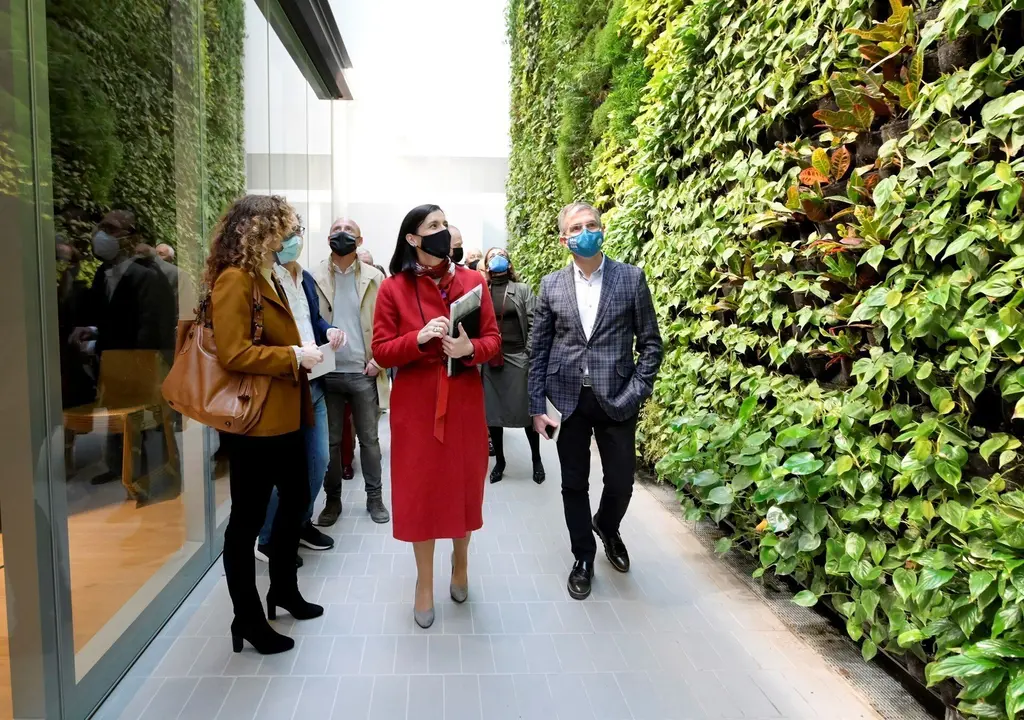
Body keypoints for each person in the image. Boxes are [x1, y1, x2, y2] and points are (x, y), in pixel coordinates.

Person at [372, 204, 500, 628]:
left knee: (464, 488)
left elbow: (494, 342)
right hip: (415, 409)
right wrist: (418, 338)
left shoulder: (473, 281)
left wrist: (470, 351)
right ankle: (423, 582)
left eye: (444, 225)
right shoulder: (393, 288)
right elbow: (381, 350)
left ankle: (460, 561)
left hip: (463, 402)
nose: (442, 232)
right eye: (433, 226)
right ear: (413, 238)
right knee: (420, 494)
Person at [206, 194, 324, 655]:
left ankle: (284, 591)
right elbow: (233, 353)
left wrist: (305, 349)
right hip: (254, 424)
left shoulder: (267, 276)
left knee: (295, 502)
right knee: (246, 522)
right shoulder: (235, 280)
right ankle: (248, 619)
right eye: (282, 228)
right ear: (257, 229)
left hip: (286, 415)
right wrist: (293, 356)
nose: (289, 237)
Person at [529, 201, 663, 601]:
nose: (586, 231)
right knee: (573, 484)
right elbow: (539, 350)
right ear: (564, 239)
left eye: (592, 225)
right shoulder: (551, 285)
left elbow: (651, 345)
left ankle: (606, 524)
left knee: (621, 481)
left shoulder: (630, 278)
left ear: (602, 230)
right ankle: (583, 558)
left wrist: (636, 392)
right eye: (577, 227)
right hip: (566, 400)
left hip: (617, 398)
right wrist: (537, 405)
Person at [254, 233, 347, 564]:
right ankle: (268, 537)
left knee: (318, 460)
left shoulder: (303, 276)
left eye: (297, 234)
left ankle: (298, 523)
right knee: (284, 470)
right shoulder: (262, 280)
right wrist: (295, 354)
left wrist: (329, 331)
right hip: (284, 383)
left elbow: (313, 320)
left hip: (315, 382)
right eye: (286, 235)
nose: (294, 241)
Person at [312, 218, 391, 526]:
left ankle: (375, 498)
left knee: (369, 441)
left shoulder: (375, 277)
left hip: (363, 371)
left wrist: (379, 361)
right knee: (329, 444)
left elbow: (388, 323)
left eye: (348, 232)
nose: (341, 235)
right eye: (335, 231)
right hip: (328, 372)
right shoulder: (313, 277)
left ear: (359, 241)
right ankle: (332, 501)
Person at [480, 247, 545, 485]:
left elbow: (534, 322)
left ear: (509, 263)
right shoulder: (482, 292)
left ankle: (536, 459)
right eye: (492, 255)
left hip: (518, 358)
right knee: (493, 415)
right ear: (486, 266)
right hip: (491, 360)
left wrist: (528, 353)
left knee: (526, 413)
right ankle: (500, 462)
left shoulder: (523, 289)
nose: (498, 257)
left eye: (502, 254)